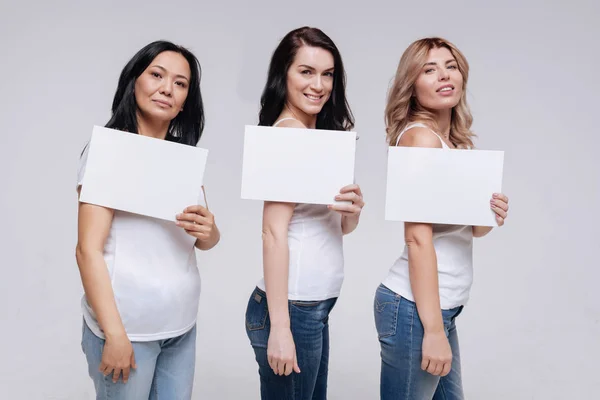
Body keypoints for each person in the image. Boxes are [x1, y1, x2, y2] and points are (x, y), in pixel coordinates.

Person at [75, 40, 220, 400]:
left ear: (186, 99)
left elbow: (204, 239)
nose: (167, 88)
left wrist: (210, 230)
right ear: (134, 81)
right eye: (157, 75)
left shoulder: (181, 158)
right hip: (128, 331)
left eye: (180, 83)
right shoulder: (108, 152)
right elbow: (86, 251)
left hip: (180, 327)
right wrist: (115, 335)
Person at [374, 37, 510, 400]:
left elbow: (474, 231)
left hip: (438, 307)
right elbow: (417, 238)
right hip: (415, 311)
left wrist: (490, 212)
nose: (444, 75)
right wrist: (433, 330)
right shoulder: (420, 140)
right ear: (412, 86)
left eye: (450, 66)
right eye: (429, 69)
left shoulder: (452, 142)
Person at [244, 27, 365, 400]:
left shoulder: (318, 138)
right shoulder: (288, 135)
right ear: (284, 75)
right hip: (292, 310)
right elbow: (273, 233)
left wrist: (353, 210)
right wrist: (281, 328)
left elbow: (336, 227)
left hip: (312, 307)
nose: (319, 85)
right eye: (306, 72)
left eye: (327, 74)